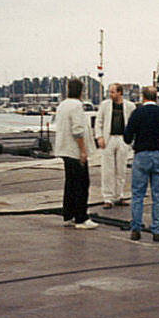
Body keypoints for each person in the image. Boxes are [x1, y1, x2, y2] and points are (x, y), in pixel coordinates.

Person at [123, 86, 159, 242]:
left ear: (143, 97)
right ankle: (157, 231)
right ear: (156, 98)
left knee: (137, 195)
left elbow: (127, 138)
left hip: (141, 155)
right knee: (158, 195)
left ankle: (135, 229)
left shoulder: (137, 113)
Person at [53, 78, 98, 230]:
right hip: (74, 151)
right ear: (81, 91)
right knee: (82, 183)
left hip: (64, 149)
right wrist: (83, 151)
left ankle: (68, 215)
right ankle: (81, 218)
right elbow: (77, 130)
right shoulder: (77, 106)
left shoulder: (62, 105)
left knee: (70, 183)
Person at [95, 83, 136, 209]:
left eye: (113, 92)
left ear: (119, 92)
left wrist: (131, 139)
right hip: (109, 138)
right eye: (109, 92)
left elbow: (133, 123)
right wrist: (99, 136)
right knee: (107, 169)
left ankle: (119, 195)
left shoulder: (130, 106)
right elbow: (99, 121)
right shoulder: (105, 105)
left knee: (121, 168)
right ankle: (107, 197)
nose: (110, 94)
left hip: (123, 139)